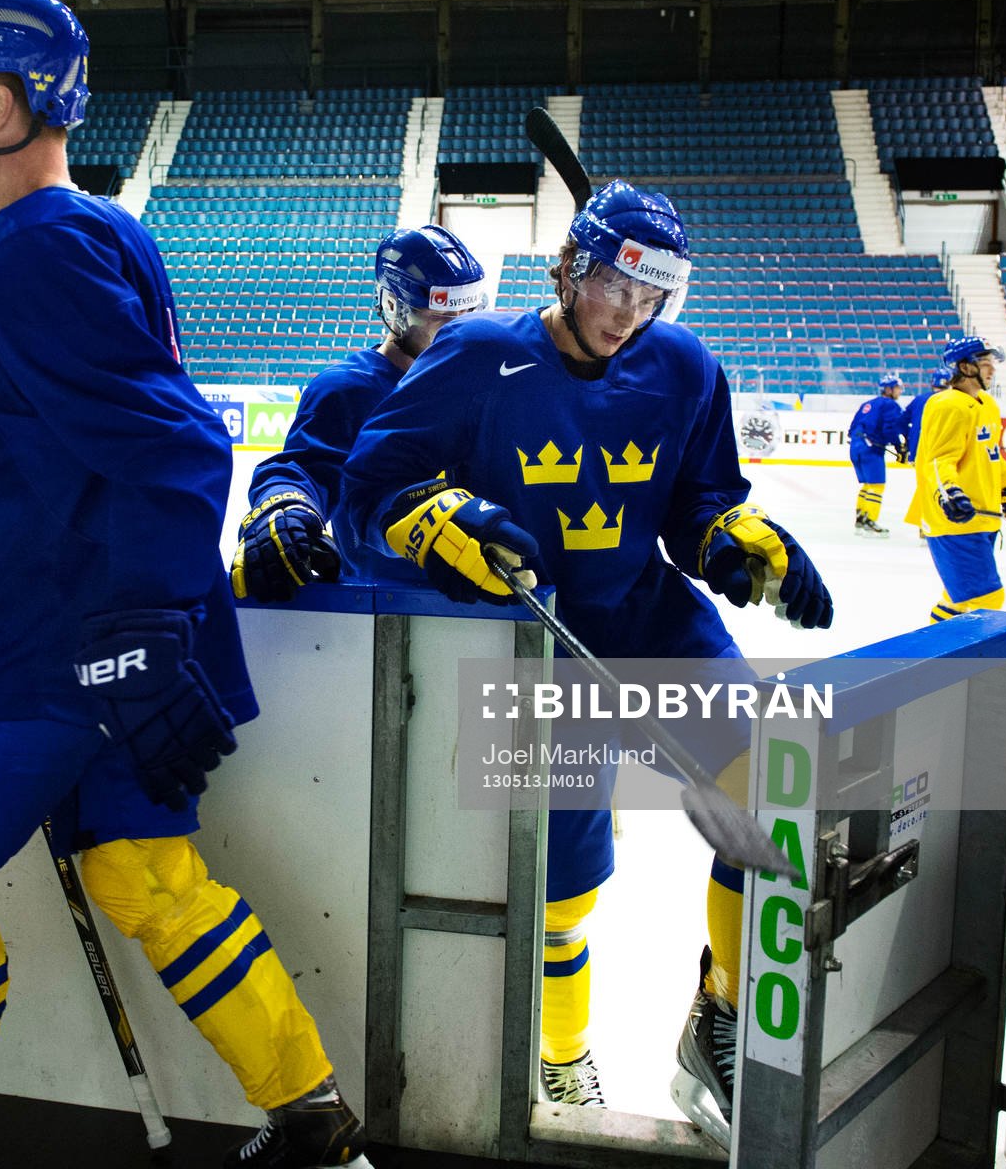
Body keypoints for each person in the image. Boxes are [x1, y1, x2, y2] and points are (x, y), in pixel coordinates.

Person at [0, 0, 370, 1169]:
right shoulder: (104, 227)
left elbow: (177, 445)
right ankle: (314, 1126)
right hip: (117, 645)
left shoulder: (22, 245)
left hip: (35, 650)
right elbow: (83, 426)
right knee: (149, 877)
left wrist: (131, 626)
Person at [338, 180, 834, 1146]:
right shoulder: (476, 356)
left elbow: (700, 502)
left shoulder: (685, 367)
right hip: (530, 650)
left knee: (776, 790)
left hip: (648, 625)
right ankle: (559, 1056)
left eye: (652, 296)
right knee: (560, 891)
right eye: (614, 285)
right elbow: (366, 496)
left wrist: (733, 539)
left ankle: (720, 1019)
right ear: (569, 265)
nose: (629, 314)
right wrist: (428, 521)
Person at [231, 224, 488, 601]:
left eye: (470, 314)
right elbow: (304, 467)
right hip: (383, 608)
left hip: (489, 599)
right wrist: (283, 505)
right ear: (392, 308)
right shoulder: (348, 389)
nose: (461, 331)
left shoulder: (483, 379)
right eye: (445, 319)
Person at [903, 335, 1006, 623]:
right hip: (953, 519)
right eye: (985, 363)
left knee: (957, 597)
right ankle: (961, 663)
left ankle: (933, 652)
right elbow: (937, 460)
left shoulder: (987, 404)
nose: (992, 369)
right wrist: (949, 493)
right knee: (988, 597)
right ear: (965, 366)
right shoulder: (946, 404)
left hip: (982, 516)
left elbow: (992, 455)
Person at [847, 372, 906, 536]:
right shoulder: (890, 405)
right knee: (877, 485)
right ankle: (870, 521)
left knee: (867, 485)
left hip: (856, 446)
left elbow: (852, 427)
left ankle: (860, 519)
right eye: (897, 388)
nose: (900, 391)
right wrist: (899, 446)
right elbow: (890, 428)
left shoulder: (868, 403)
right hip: (870, 448)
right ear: (889, 389)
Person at [900, 367, 952, 468]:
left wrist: (909, 436)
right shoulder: (953, 400)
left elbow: (901, 421)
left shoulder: (919, 399)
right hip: (941, 453)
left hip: (917, 451)